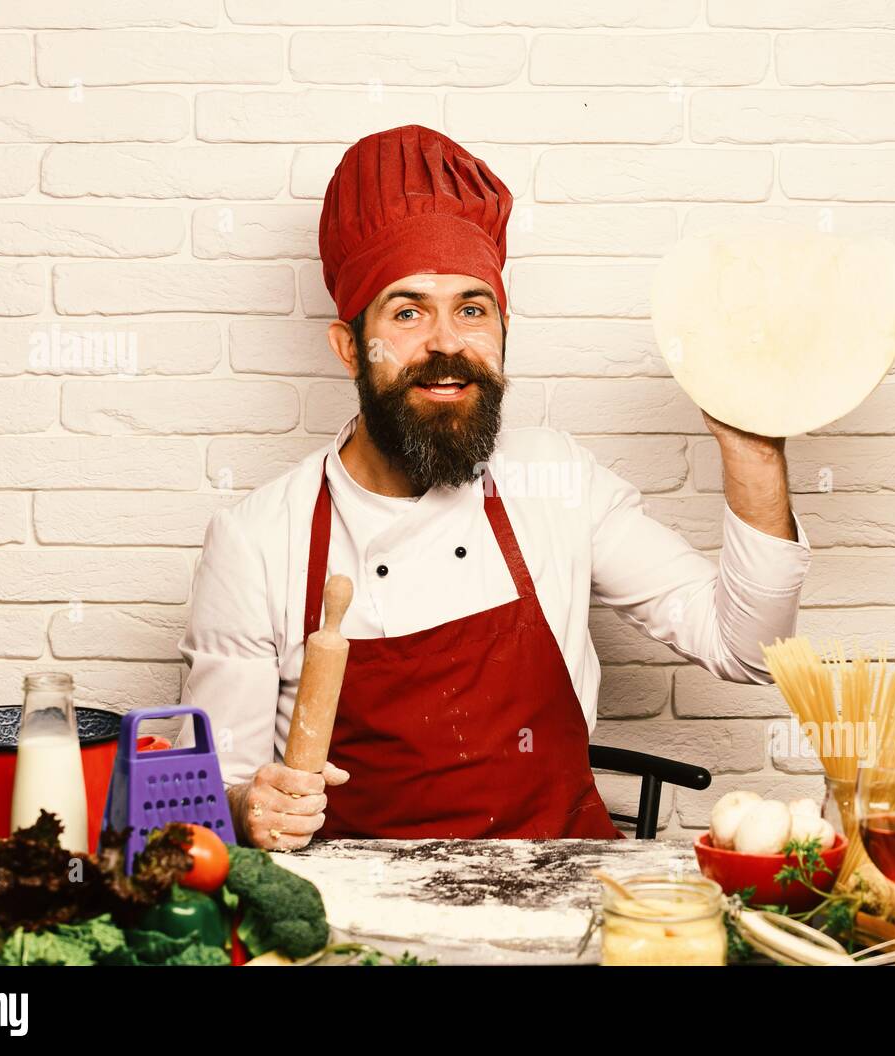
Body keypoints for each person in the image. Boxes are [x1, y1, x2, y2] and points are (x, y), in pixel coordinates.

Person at [178, 124, 811, 848]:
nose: (447, 343)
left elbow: (749, 651)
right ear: (350, 345)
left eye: (472, 309)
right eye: (408, 311)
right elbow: (203, 808)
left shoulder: (556, 481)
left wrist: (754, 450)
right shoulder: (259, 541)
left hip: (568, 908)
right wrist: (242, 805)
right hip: (364, 937)